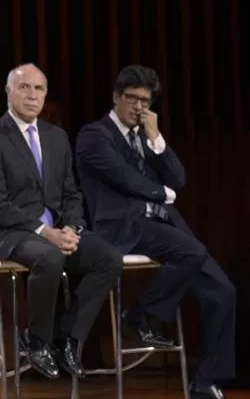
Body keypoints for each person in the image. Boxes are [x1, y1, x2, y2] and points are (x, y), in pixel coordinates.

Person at [75, 65, 234, 399]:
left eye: (145, 101)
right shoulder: (94, 135)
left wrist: (157, 140)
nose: (138, 107)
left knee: (223, 292)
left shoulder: (146, 136)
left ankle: (205, 382)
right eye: (132, 98)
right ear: (116, 97)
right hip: (121, 227)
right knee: (191, 251)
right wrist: (163, 194)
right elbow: (125, 178)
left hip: (162, 226)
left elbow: (178, 178)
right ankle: (141, 315)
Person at [0, 63, 122, 380]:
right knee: (49, 256)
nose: (32, 95)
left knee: (108, 258)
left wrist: (72, 227)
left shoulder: (56, 137)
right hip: (8, 233)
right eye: (24, 87)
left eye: (39, 89)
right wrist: (44, 232)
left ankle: (68, 337)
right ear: (9, 92)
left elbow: (70, 192)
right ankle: (38, 341)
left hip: (54, 232)